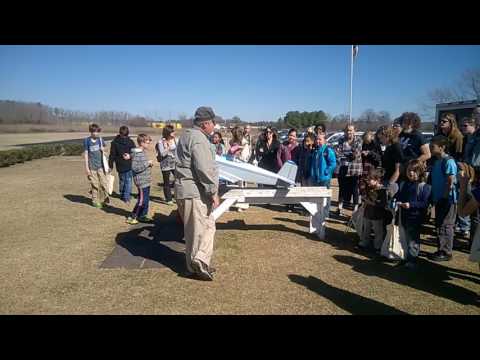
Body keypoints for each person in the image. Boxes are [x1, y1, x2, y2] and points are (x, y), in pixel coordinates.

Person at [175, 106, 220, 281]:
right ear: (206, 123)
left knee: (202, 228)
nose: (214, 127)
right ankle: (198, 263)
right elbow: (204, 169)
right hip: (194, 192)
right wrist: (213, 191)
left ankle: (196, 264)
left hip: (185, 190)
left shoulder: (186, 135)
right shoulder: (199, 139)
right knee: (199, 230)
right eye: (213, 123)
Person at [396, 160, 432, 269]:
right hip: (403, 216)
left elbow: (424, 203)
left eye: (414, 171)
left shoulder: (424, 187)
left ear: (420, 172)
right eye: (409, 170)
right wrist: (397, 201)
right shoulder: (404, 184)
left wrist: (411, 205)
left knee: (413, 240)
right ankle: (405, 257)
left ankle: (412, 260)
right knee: (405, 238)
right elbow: (399, 196)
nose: (411, 173)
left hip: (415, 217)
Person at [429, 135, 458, 262]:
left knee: (446, 225)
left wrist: (445, 197)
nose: (430, 148)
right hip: (438, 199)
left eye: (433, 146)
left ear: (442, 147)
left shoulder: (449, 161)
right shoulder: (436, 161)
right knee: (439, 224)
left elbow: (450, 181)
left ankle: (447, 251)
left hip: (447, 200)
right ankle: (441, 249)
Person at [358, 168, 397, 254]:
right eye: (367, 180)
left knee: (378, 232)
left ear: (377, 180)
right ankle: (364, 242)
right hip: (367, 213)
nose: (368, 182)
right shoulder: (369, 188)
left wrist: (370, 202)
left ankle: (378, 246)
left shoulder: (382, 190)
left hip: (377, 215)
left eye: (370, 180)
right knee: (366, 229)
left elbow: (382, 204)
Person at [334, 124, 363, 215]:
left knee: (355, 190)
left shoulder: (358, 140)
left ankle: (355, 210)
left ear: (354, 131)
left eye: (350, 130)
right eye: (347, 130)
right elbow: (338, 153)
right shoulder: (341, 140)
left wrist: (346, 154)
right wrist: (346, 154)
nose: (349, 132)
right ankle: (339, 207)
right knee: (342, 188)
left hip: (355, 169)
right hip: (343, 167)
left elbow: (355, 155)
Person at [126, 134, 154, 225]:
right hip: (141, 182)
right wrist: (147, 163)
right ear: (141, 143)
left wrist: (148, 164)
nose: (149, 144)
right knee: (142, 200)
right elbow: (135, 168)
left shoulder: (142, 152)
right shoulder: (137, 154)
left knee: (146, 200)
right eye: (147, 142)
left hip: (146, 180)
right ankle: (132, 217)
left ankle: (142, 215)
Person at [310, 131, 336, 217]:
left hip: (324, 179)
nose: (318, 141)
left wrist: (327, 171)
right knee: (316, 196)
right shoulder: (315, 150)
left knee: (326, 198)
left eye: (320, 139)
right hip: (316, 178)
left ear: (324, 140)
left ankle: (325, 213)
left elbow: (333, 163)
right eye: (317, 139)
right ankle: (317, 212)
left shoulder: (328, 150)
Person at [83, 123, 109, 208]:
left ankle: (105, 198)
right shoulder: (87, 140)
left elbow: (105, 152)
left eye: (97, 132)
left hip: (101, 166)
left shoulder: (100, 140)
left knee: (104, 183)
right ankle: (95, 200)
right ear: (90, 132)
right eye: (93, 132)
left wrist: (103, 150)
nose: (95, 133)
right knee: (95, 184)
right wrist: (87, 168)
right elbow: (86, 154)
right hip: (92, 167)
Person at [108, 125, 136, 203]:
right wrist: (110, 165)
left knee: (126, 180)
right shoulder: (115, 143)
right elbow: (112, 155)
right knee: (124, 180)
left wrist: (130, 155)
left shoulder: (130, 141)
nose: (124, 137)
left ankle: (125, 195)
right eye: (123, 136)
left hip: (128, 164)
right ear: (120, 134)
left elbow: (134, 152)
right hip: (120, 164)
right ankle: (124, 195)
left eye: (125, 136)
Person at [156, 125, 177, 205]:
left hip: (174, 163)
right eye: (173, 131)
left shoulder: (175, 140)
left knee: (178, 179)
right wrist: (167, 148)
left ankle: (177, 196)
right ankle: (169, 199)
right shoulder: (161, 142)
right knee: (166, 182)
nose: (174, 133)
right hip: (165, 164)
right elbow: (162, 153)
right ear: (168, 133)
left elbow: (178, 151)